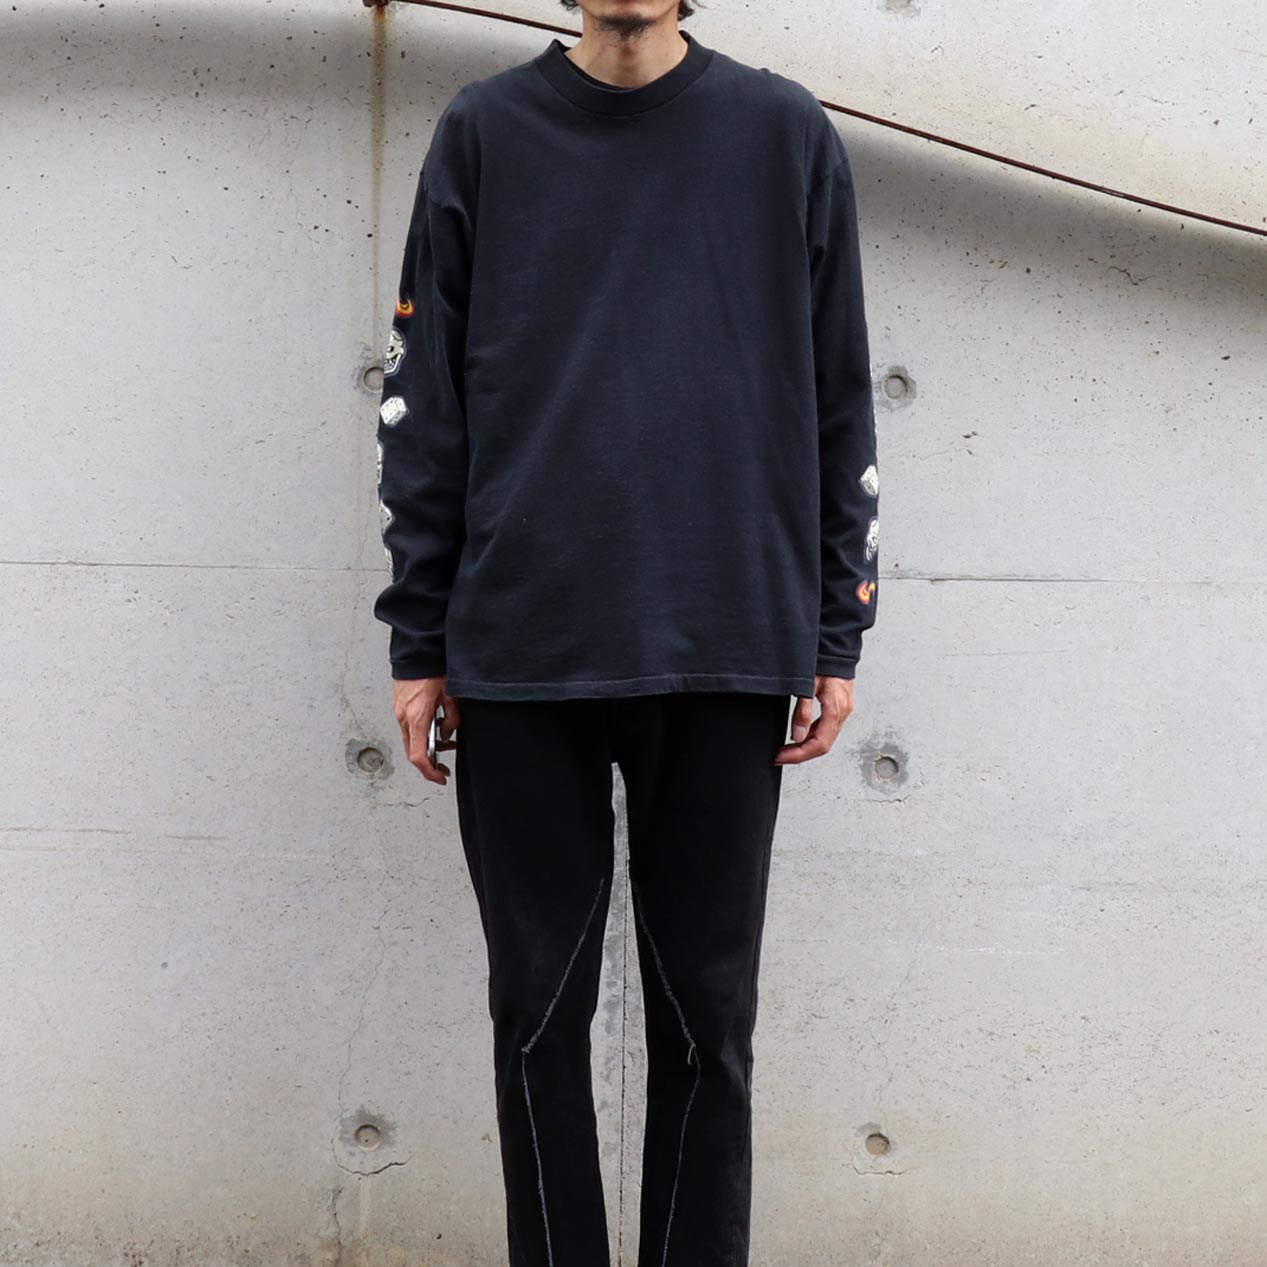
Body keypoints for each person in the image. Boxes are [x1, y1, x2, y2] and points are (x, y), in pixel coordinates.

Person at [372, 1, 879, 1262]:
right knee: (535, 1022)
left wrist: (836, 626)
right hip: (521, 644)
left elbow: (839, 390)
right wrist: (419, 636)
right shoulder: (484, 133)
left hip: (725, 636)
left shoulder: (782, 133)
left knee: (708, 1026)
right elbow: (424, 400)